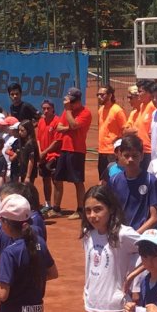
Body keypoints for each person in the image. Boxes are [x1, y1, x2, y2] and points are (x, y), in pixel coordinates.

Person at [107, 135, 157, 233]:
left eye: (135, 156)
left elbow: (154, 217)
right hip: (119, 234)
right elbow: (110, 210)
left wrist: (135, 235)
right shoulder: (114, 180)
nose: (130, 159)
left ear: (142, 156)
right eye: (126, 155)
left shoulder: (150, 180)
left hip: (141, 237)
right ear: (120, 155)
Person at [51, 87, 91, 220]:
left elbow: (73, 125)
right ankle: (56, 208)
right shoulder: (67, 111)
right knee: (57, 179)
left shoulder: (85, 113)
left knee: (77, 181)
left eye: (72, 102)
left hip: (77, 150)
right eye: (69, 102)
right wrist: (69, 127)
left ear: (79, 101)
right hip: (65, 149)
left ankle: (80, 210)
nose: (70, 105)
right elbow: (59, 127)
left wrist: (68, 112)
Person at [36, 100, 61, 214]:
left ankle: (56, 208)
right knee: (45, 180)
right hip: (43, 156)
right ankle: (47, 204)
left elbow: (57, 141)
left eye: (48, 108)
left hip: (54, 156)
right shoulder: (41, 121)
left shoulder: (57, 121)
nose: (45, 111)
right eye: (44, 108)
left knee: (56, 181)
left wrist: (44, 152)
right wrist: (40, 152)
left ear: (53, 109)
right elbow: (38, 139)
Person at [97, 85, 126, 178]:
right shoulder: (100, 110)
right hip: (102, 151)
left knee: (113, 178)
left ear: (110, 96)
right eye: (98, 94)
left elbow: (124, 130)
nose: (99, 97)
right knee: (102, 180)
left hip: (112, 152)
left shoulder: (117, 110)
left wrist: (116, 140)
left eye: (102, 95)